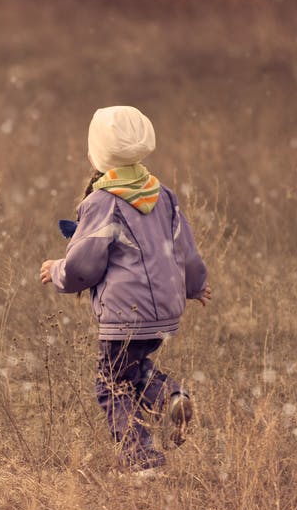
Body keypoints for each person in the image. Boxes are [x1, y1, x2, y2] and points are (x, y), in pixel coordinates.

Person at [40, 105, 211, 474]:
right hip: (163, 313)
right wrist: (195, 286)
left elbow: (84, 265)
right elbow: (187, 250)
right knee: (130, 372)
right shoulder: (164, 196)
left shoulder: (103, 202)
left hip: (124, 314)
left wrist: (57, 271)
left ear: (97, 155)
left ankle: (141, 460)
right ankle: (171, 396)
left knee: (111, 386)